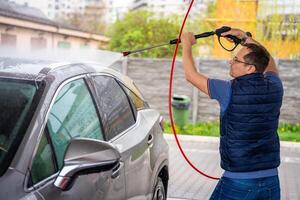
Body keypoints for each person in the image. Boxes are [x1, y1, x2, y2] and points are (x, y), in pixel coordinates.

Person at [180, 28, 283, 200]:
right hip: (271, 181)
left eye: (236, 59)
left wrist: (186, 44)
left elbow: (191, 76)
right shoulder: (275, 85)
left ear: (250, 68)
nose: (230, 61)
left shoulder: (228, 90)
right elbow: (268, 61)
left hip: (239, 182)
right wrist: (244, 38)